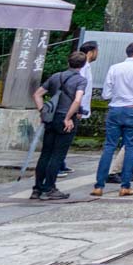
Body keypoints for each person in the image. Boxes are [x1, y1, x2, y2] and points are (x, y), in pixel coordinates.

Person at [92, 42, 133, 197]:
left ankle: (99, 186)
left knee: (109, 147)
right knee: (130, 147)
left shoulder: (115, 68)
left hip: (115, 109)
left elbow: (106, 94)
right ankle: (125, 185)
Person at [31, 51, 88, 200]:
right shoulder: (81, 80)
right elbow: (77, 100)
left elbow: (37, 94)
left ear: (68, 62)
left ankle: (37, 188)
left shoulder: (56, 76)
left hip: (51, 118)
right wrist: (69, 117)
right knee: (58, 154)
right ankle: (49, 188)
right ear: (82, 65)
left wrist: (43, 111)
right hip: (65, 118)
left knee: (46, 153)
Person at [60, 40, 98, 176]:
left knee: (68, 137)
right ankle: (58, 164)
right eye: (96, 51)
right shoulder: (82, 68)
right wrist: (78, 109)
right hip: (74, 107)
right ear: (90, 52)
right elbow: (77, 90)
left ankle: (61, 163)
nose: (96, 54)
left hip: (78, 106)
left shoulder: (86, 67)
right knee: (66, 136)